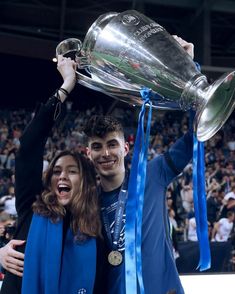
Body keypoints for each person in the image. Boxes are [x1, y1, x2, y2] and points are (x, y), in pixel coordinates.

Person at [0, 37, 194, 294]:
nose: (106, 153)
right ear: (88, 154)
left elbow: (196, 137)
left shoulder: (153, 174)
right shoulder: (82, 204)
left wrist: (189, 70)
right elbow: (28, 152)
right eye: (97, 147)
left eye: (112, 145)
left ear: (125, 148)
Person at [0, 55, 102, 294]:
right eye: (56, 171)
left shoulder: (96, 224)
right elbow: (28, 147)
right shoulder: (31, 205)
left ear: (84, 181)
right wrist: (66, 85)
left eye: (72, 171)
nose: (62, 176)